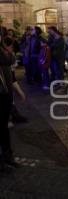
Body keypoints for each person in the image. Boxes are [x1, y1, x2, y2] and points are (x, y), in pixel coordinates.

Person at [0, 35, 19, 172]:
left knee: (3, 127)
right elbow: (8, 59)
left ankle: (7, 156)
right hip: (2, 94)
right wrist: (7, 50)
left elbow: (11, 60)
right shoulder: (3, 53)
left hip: (5, 93)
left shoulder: (3, 51)